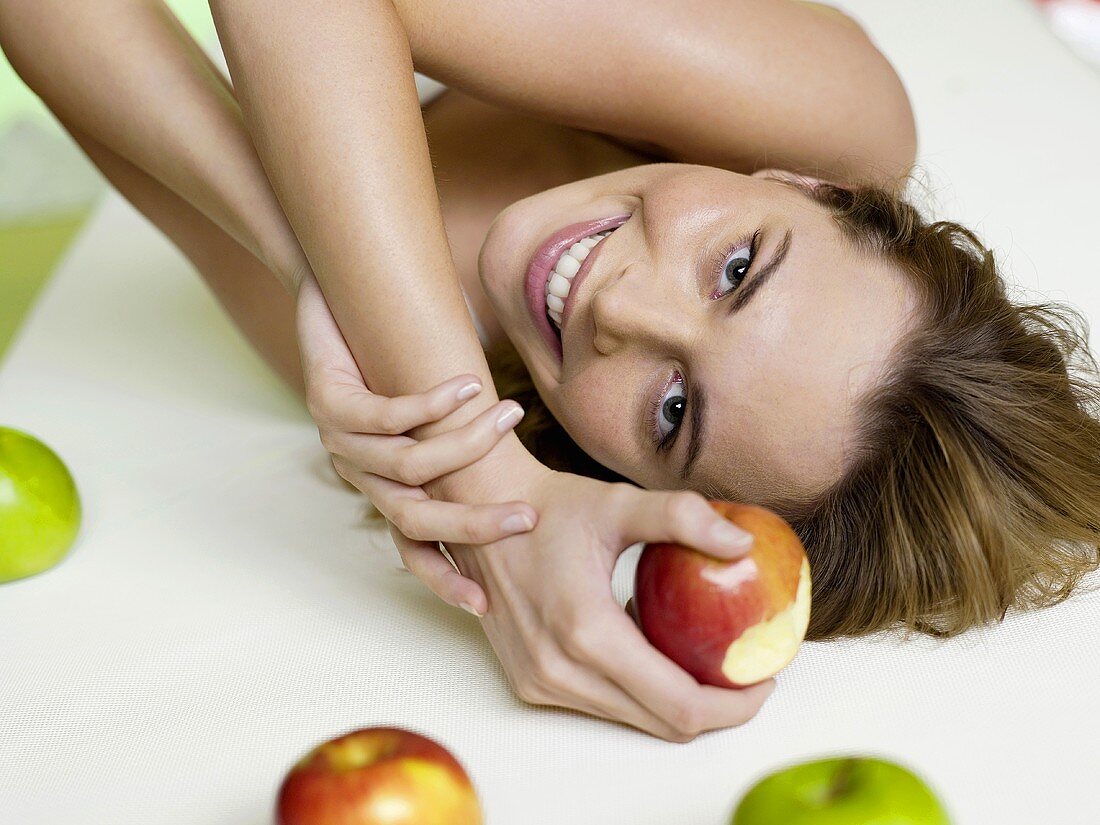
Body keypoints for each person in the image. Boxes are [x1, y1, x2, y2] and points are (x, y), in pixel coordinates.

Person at [4, 0, 1098, 744]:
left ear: (631, 491)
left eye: (671, 412)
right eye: (734, 267)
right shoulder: (841, 120)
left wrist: (328, 279)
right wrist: (475, 470)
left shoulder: (401, 389)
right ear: (807, 186)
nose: (619, 304)